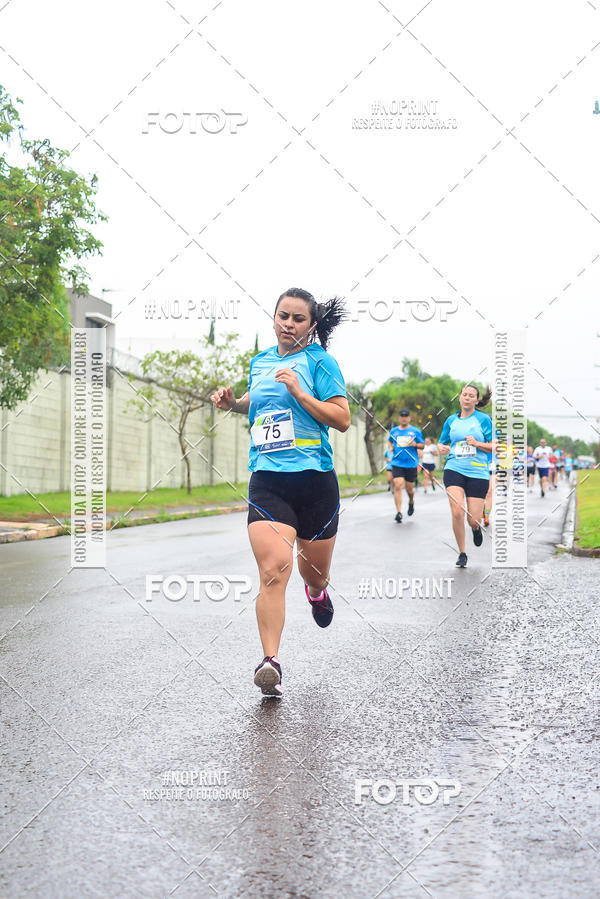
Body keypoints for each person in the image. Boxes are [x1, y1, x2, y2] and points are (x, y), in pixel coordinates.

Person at [211, 288, 350, 698]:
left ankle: (317, 592)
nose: (288, 324)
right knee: (273, 570)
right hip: (268, 479)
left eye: (298, 319)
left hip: (315, 482)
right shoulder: (261, 361)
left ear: (311, 326)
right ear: (273, 319)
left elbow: (342, 418)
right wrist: (233, 402)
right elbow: (257, 401)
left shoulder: (321, 363)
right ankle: (270, 661)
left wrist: (301, 393)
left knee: (313, 571)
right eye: (282, 316)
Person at [437, 384, 495, 568]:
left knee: (473, 518)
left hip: (478, 471)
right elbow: (441, 442)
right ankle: (462, 552)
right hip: (454, 468)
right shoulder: (451, 421)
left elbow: (495, 445)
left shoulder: (483, 420)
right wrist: (442, 448)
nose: (467, 397)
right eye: (465, 394)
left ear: (477, 400)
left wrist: (477, 443)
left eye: (471, 395)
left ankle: (476, 528)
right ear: (460, 398)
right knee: (457, 511)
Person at [388, 409, 425, 522]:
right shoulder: (394, 431)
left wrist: (415, 444)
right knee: (398, 485)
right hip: (397, 462)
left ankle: (411, 501)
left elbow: (422, 445)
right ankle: (399, 512)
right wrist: (390, 447)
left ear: (409, 418)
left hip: (411, 463)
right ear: (399, 418)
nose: (404, 418)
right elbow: (390, 441)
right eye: (402, 416)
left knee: (409, 489)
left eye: (406, 416)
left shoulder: (415, 431)